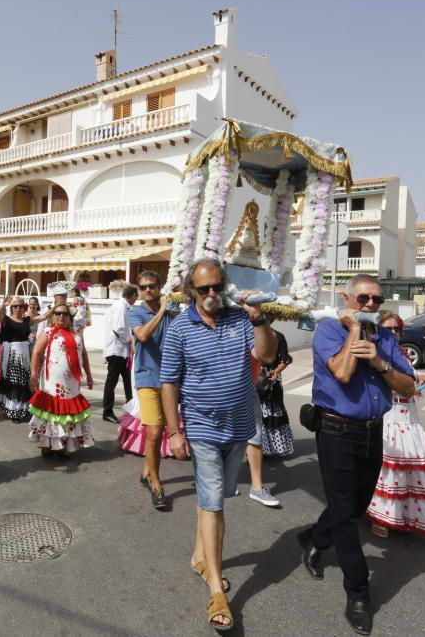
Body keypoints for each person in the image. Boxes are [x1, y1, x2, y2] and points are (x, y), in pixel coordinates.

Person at [160, 258, 277, 632]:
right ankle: (216, 588)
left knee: (218, 498)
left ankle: (199, 555)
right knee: (213, 503)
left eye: (217, 287)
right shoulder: (179, 329)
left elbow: (266, 355)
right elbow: (169, 384)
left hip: (240, 426)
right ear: (191, 290)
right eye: (204, 288)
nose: (212, 294)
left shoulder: (239, 319)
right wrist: (175, 432)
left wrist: (259, 319)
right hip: (203, 428)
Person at [298, 274, 417, 636]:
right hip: (335, 429)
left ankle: (316, 539)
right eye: (363, 299)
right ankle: (358, 593)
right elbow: (343, 372)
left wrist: (380, 362)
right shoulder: (329, 331)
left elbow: (410, 386)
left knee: (355, 504)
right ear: (347, 298)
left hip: (373, 430)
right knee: (348, 519)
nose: (370, 306)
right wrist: (354, 334)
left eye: (377, 301)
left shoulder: (385, 337)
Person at [366, 312, 425, 538]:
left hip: (409, 419)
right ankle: (381, 517)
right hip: (391, 419)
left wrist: (418, 377)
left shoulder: (399, 352)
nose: (394, 333)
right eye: (388, 329)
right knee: (389, 473)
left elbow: (405, 375)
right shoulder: (378, 353)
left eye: (397, 329)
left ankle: (405, 516)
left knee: (410, 473)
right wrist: (406, 387)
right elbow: (383, 380)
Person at [125, 271, 174, 510]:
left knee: (163, 429)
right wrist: (162, 311)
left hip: (170, 381)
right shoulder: (137, 312)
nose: (146, 291)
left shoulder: (174, 312)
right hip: (146, 378)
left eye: (151, 286)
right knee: (153, 432)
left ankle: (147, 471)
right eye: (142, 287)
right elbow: (143, 335)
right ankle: (156, 484)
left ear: (159, 286)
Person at [28, 302, 95, 455]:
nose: (61, 316)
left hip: (72, 384)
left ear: (69, 317)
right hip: (51, 383)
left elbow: (83, 355)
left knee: (68, 413)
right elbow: (36, 353)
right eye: (57, 313)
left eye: (65, 314)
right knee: (51, 412)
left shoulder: (77, 333)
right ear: (52, 316)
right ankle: (48, 445)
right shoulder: (48, 332)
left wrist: (89, 375)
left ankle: (64, 444)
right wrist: (33, 375)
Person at [246, 311, 296, 508]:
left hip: (268, 382)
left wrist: (274, 372)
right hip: (249, 383)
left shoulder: (277, 336)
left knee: (264, 423)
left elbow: (283, 358)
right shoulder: (246, 332)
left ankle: (258, 483)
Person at [101, 284, 138, 424]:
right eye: (137, 295)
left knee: (129, 381)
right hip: (116, 350)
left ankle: (132, 407)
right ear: (133, 295)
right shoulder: (120, 306)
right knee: (112, 381)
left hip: (122, 351)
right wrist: (130, 341)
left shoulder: (125, 307)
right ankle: (107, 411)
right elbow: (119, 329)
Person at [0, 295, 33, 423]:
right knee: (13, 381)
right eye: (15, 306)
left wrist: (54, 308)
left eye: (20, 306)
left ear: (24, 308)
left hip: (24, 355)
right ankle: (13, 410)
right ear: (12, 308)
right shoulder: (6, 320)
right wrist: (3, 305)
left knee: (23, 381)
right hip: (11, 354)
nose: (18, 308)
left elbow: (42, 317)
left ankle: (21, 408)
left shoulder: (27, 321)